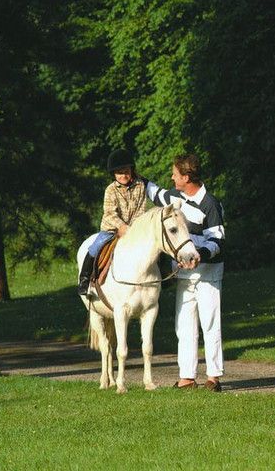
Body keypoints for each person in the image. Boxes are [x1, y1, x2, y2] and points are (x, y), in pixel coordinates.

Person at [146, 154, 226, 392]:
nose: (172, 177)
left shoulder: (211, 204)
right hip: (183, 274)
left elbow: (219, 241)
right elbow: (153, 191)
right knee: (184, 325)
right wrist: (130, 171)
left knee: (210, 323)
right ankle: (187, 378)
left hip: (208, 273)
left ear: (187, 177)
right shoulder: (173, 197)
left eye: (175, 174)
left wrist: (200, 253)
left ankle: (213, 377)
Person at [77, 149, 149, 295]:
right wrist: (121, 227)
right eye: (119, 172)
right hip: (111, 229)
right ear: (114, 174)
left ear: (132, 170)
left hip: (133, 228)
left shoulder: (140, 185)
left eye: (126, 171)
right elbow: (109, 214)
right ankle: (85, 280)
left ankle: (161, 279)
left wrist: (131, 229)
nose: (123, 175)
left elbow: (141, 209)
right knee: (95, 248)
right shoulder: (110, 190)